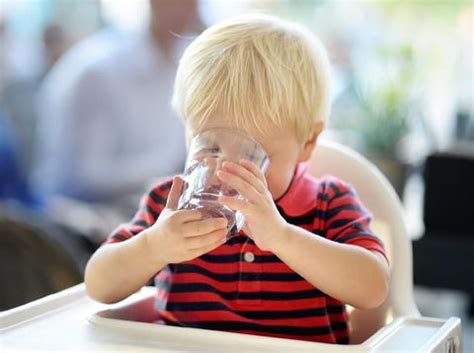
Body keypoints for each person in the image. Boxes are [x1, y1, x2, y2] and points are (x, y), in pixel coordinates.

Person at [85, 15, 389, 344]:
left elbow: (373, 288)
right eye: (209, 145)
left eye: (250, 156)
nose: (223, 170)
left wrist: (281, 236)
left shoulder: (328, 204)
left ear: (308, 143)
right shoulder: (170, 205)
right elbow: (98, 284)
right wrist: (153, 247)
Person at [33, 0, 203, 242]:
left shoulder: (186, 61)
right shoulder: (97, 72)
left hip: (146, 210)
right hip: (80, 226)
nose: (194, 11)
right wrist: (171, 169)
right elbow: (82, 178)